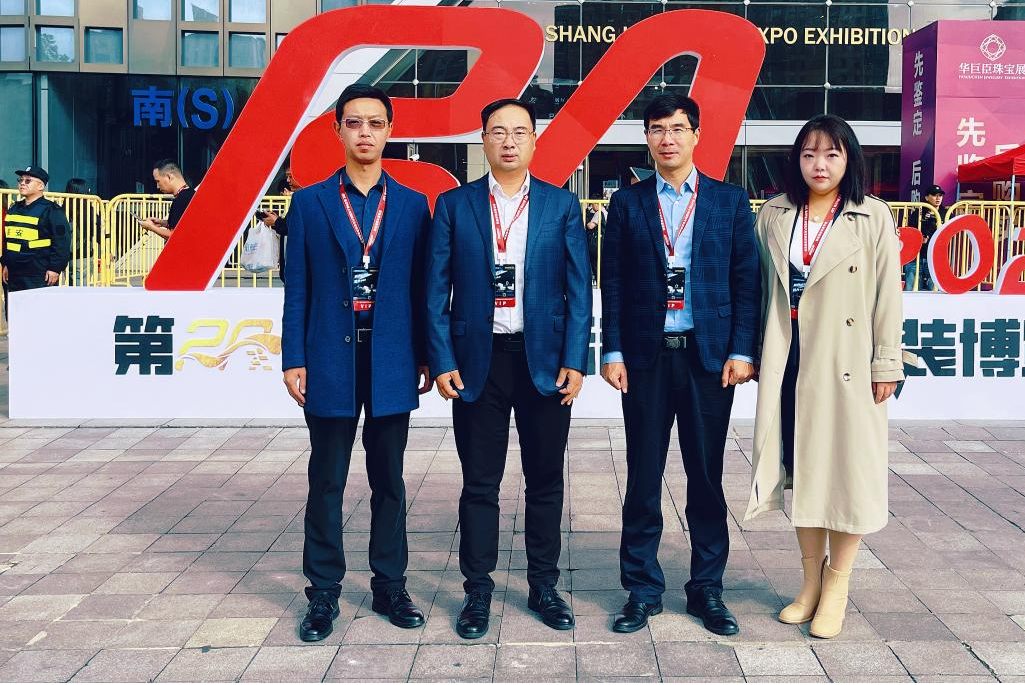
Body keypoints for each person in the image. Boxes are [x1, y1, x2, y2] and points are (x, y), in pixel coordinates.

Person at [426, 98, 591, 640]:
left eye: (520, 132)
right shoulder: (454, 205)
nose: (509, 141)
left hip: (544, 363)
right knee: (479, 483)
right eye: (498, 131)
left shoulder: (561, 205)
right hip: (479, 364)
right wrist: (442, 360)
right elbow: (435, 291)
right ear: (484, 139)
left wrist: (575, 360)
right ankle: (477, 590)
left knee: (545, 481)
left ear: (535, 140)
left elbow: (578, 290)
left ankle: (544, 585)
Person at [600, 94, 761, 636]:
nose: (666, 139)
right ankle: (642, 590)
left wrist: (742, 350)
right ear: (646, 138)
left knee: (706, 477)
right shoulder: (627, 203)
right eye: (656, 129)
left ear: (696, 135)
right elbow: (613, 282)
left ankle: (706, 589)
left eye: (676, 128)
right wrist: (613, 351)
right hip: (645, 358)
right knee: (643, 477)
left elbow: (746, 280)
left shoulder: (728, 201)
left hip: (707, 359)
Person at [280, 84, 433, 642]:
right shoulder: (310, 203)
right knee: (327, 478)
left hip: (391, 357)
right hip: (328, 357)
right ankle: (323, 592)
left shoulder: (414, 206)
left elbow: (424, 288)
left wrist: (425, 354)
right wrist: (293, 356)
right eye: (354, 122)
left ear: (390, 130)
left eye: (375, 122)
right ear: (338, 130)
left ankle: (390, 584)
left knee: (389, 478)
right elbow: (297, 286)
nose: (365, 132)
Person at [743, 115, 903, 639]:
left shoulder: (872, 215)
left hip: (848, 361)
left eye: (832, 154)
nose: (820, 164)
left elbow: (888, 295)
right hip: (790, 358)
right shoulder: (774, 213)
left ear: (849, 160)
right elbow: (759, 290)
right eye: (810, 153)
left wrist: (887, 362)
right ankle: (809, 581)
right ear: (796, 159)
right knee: (805, 470)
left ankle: (838, 584)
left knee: (847, 472)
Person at [2, 166, 72, 305]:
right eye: (20, 180)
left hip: (38, 274)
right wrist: (6, 264)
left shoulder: (52, 210)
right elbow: (9, 240)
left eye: (28, 181)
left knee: (39, 311)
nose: (22, 183)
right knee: (14, 312)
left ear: (41, 186)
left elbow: (62, 242)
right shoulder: (14, 208)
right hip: (14, 273)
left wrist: (55, 268)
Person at [140, 159, 195, 240]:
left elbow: (174, 235)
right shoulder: (191, 194)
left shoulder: (181, 200)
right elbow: (183, 227)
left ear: (169, 177)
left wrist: (151, 227)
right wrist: (163, 223)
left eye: (158, 181)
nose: (157, 186)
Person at [908, 184, 943, 291]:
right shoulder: (918, 213)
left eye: (940, 195)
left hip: (935, 257)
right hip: (916, 256)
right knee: (911, 290)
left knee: (935, 291)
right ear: (927, 197)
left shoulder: (946, 213)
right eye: (934, 195)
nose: (938, 198)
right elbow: (911, 231)